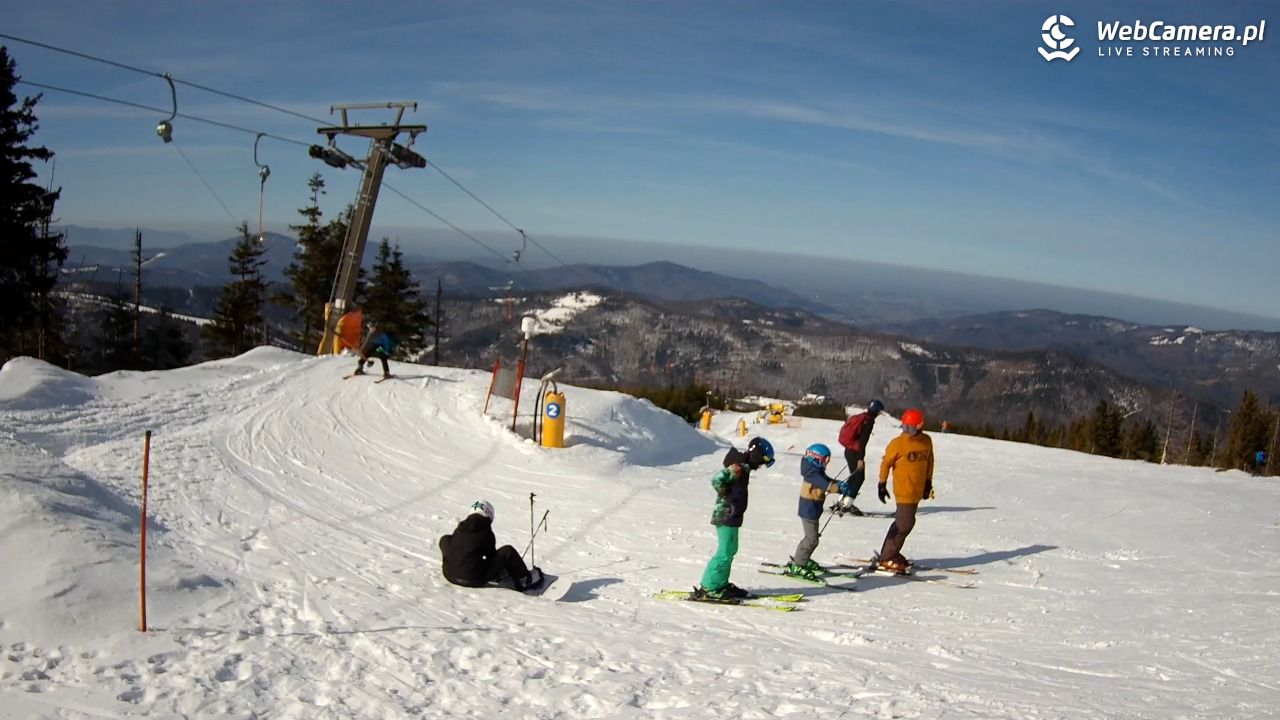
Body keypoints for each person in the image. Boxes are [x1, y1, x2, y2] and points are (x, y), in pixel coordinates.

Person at [694, 436, 775, 600]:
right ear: (757, 455)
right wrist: (727, 497)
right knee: (724, 553)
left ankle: (721, 583)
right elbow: (717, 479)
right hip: (726, 515)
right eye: (762, 461)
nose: (760, 466)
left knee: (730, 550)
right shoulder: (739, 467)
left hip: (732, 516)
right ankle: (709, 587)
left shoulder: (743, 467)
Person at [875, 408, 934, 574]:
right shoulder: (898, 443)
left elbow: (930, 461)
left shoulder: (926, 441)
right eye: (906, 427)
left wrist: (928, 482)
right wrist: (882, 483)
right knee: (904, 524)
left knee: (906, 523)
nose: (908, 431)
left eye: (912, 427)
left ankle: (890, 552)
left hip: (918, 488)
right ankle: (887, 557)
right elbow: (886, 463)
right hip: (904, 488)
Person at [439, 500, 544, 592]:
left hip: (449, 575)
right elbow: (491, 556)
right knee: (508, 551)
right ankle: (525, 579)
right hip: (474, 579)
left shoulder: (461, 528)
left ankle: (455, 566)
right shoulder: (486, 532)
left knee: (445, 539)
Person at [784, 443, 850, 580]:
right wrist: (837, 488)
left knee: (812, 538)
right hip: (809, 509)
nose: (826, 464)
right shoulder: (811, 473)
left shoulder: (814, 471)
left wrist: (838, 483)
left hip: (813, 509)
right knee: (811, 539)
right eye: (825, 460)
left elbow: (826, 481)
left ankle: (802, 559)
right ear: (817, 459)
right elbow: (825, 485)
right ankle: (798, 564)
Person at [836, 399, 884, 515]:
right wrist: (860, 458)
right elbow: (863, 441)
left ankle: (841, 502)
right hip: (856, 453)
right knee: (859, 478)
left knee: (853, 477)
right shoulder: (869, 421)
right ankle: (846, 504)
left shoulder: (862, 417)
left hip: (849, 450)